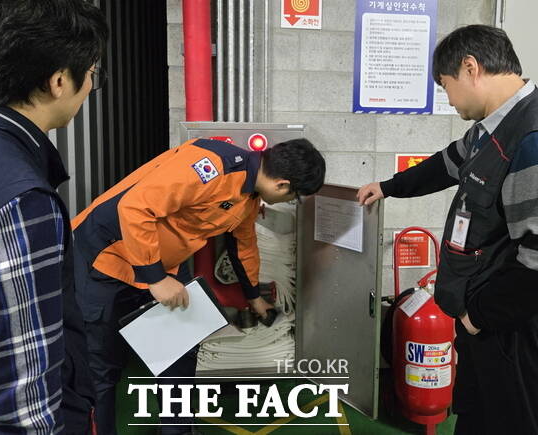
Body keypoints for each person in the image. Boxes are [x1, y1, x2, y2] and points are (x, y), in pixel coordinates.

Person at [72, 137, 326, 434]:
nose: (288, 202)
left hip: (161, 265)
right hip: (105, 258)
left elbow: (244, 246)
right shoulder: (210, 167)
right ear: (282, 185)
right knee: (101, 364)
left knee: (178, 355)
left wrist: (254, 296)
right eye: (293, 196)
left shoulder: (249, 196)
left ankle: (177, 431)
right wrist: (155, 278)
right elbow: (134, 208)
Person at [357, 25, 538, 435]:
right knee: (476, 414)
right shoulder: (489, 130)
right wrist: (387, 187)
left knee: (509, 421)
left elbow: (537, 258)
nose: (448, 98)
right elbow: (445, 164)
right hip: (480, 319)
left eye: (446, 85)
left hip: (508, 326)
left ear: (470, 68)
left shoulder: (530, 137)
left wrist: (479, 316)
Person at [0, 1, 108, 433]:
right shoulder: (18, 200)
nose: (91, 86)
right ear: (58, 81)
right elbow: (20, 404)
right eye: (92, 75)